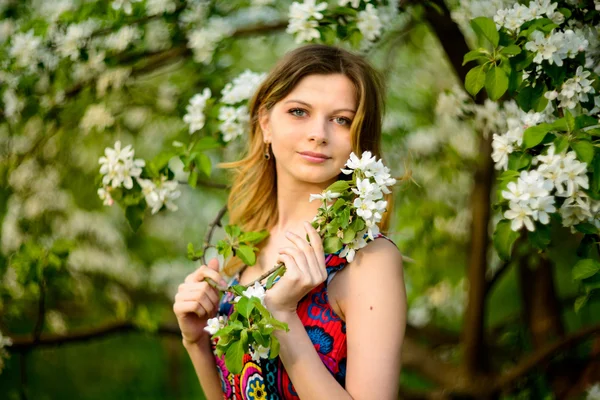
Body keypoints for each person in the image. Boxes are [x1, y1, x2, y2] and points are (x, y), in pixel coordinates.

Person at [173, 44, 407, 399]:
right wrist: (196, 342)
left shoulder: (367, 260)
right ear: (265, 123)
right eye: (299, 112)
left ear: (360, 140)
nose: (319, 133)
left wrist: (282, 316)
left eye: (342, 119)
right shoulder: (248, 247)